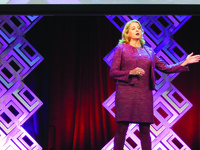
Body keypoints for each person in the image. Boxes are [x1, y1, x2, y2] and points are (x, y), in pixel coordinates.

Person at [110, 19, 200, 150]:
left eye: (139, 28)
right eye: (133, 28)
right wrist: (131, 72)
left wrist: (184, 63)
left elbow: (165, 68)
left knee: (145, 130)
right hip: (126, 93)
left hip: (144, 94)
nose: (137, 30)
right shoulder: (121, 48)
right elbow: (113, 72)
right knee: (122, 128)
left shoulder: (149, 51)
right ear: (127, 33)